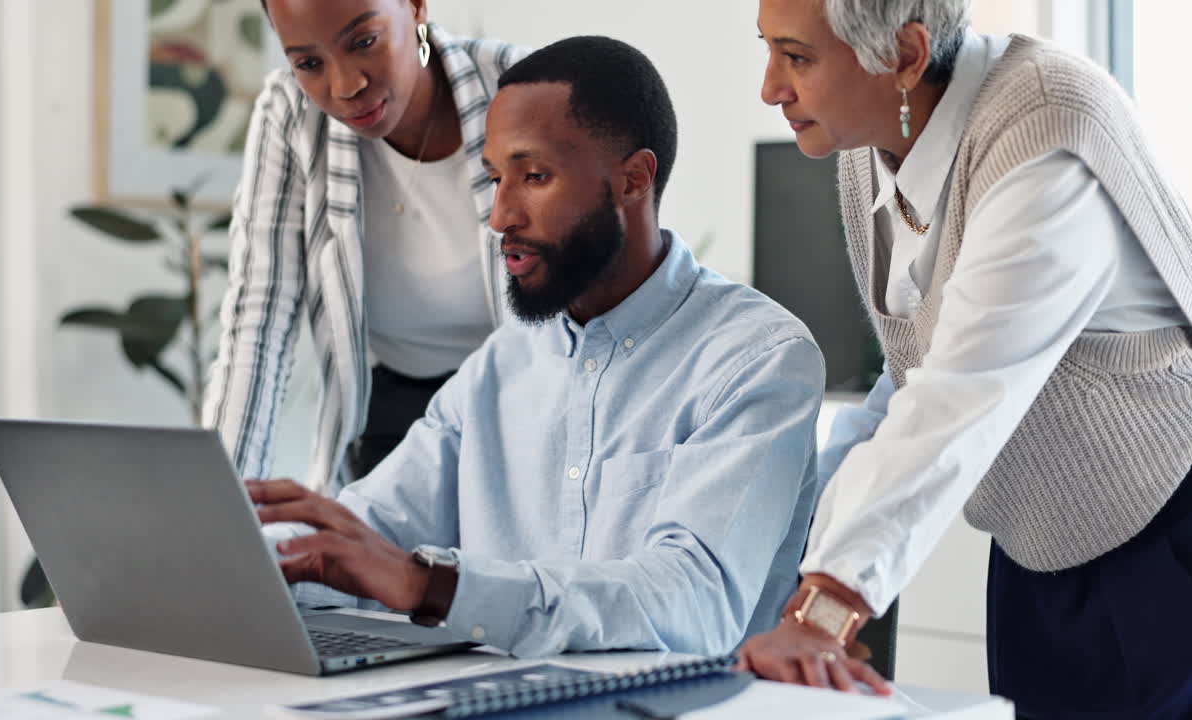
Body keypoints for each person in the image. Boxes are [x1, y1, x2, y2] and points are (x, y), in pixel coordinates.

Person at [247, 35, 827, 657]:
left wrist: (433, 586)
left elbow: (693, 602)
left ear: (633, 181)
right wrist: (239, 560)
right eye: (496, 178)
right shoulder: (502, 365)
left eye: (535, 177)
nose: (500, 216)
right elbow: (371, 536)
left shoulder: (758, 359)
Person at [739, 0, 1192, 716]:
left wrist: (827, 606)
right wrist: (800, 566)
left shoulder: (1048, 126)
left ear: (904, 54)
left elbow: (963, 388)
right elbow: (909, 375)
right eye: (768, 50)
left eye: (797, 56)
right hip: (1041, 542)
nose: (770, 86)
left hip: (1177, 536)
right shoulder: (868, 142)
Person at [203, 0, 532, 495]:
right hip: (394, 415)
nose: (345, 87)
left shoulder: (525, 89)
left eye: (363, 42)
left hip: (525, 406)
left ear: (416, 6)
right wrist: (219, 510)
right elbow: (259, 323)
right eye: (309, 63)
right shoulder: (291, 114)